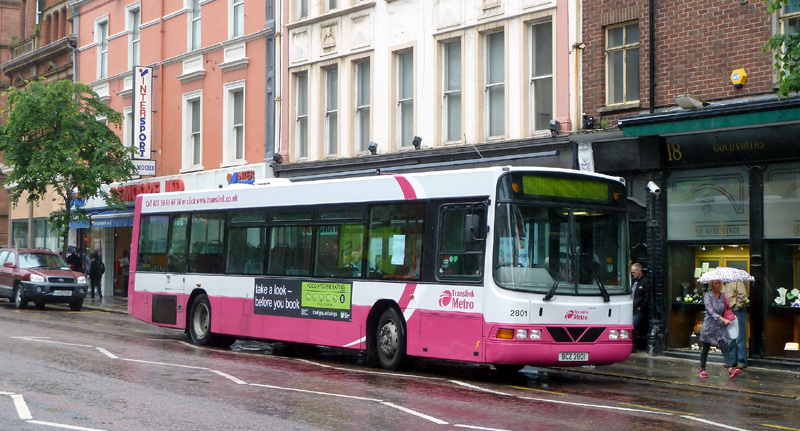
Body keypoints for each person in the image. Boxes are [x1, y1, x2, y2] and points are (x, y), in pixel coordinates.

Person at [698, 279, 740, 379]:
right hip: (710, 325)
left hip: (720, 326)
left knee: (725, 347)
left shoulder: (722, 295)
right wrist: (723, 320)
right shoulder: (708, 296)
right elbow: (710, 311)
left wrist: (728, 305)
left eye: (719, 283)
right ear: (712, 285)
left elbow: (725, 309)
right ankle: (703, 369)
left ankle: (730, 369)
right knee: (706, 348)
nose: (718, 285)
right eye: (716, 283)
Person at [723, 280, 748, 370]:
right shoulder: (723, 284)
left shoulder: (736, 282)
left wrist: (737, 306)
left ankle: (741, 361)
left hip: (737, 311)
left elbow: (742, 295)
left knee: (739, 336)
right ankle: (732, 361)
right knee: (730, 336)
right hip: (728, 311)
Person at [631, 263, 648, 352]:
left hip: (638, 310)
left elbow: (646, 296)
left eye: (634, 272)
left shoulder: (645, 281)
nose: (632, 274)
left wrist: (641, 307)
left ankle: (633, 346)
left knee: (632, 325)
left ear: (639, 272)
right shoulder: (633, 281)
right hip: (631, 308)